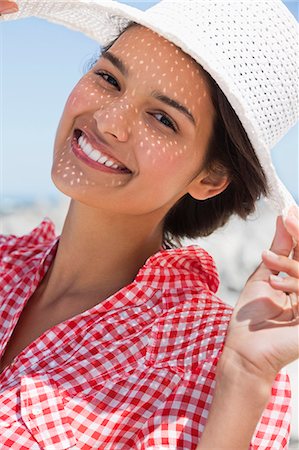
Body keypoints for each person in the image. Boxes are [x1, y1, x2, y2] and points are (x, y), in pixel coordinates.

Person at [0, 0, 298, 449]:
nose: (108, 121)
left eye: (162, 118)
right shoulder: (6, 261)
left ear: (211, 177)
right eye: (108, 78)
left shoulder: (207, 358)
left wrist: (242, 377)